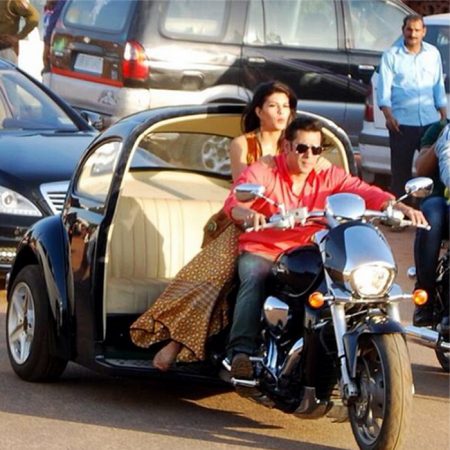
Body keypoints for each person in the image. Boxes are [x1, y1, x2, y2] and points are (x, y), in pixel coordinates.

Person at [223, 117, 428, 382]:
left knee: (347, 283)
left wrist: (396, 206)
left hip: (311, 249)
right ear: (286, 146)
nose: (309, 155)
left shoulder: (327, 174)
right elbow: (234, 202)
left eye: (316, 149)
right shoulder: (265, 170)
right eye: (302, 148)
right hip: (266, 248)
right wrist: (249, 214)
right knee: (254, 275)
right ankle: (240, 352)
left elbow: (362, 190)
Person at [130, 81, 310, 371]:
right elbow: (243, 189)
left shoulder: (299, 145)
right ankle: (177, 342)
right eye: (273, 106)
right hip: (245, 225)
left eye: (285, 107)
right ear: (258, 111)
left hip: (289, 228)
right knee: (215, 275)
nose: (280, 112)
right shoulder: (243, 145)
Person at [377, 14, 447, 199]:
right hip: (402, 125)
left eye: (417, 30)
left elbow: (438, 85)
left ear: (424, 31)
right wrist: (388, 116)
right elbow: (383, 90)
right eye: (409, 29)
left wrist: (443, 114)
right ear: (403, 30)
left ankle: (429, 208)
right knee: (401, 175)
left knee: (431, 173)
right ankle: (403, 211)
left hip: (430, 123)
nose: (413, 34)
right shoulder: (391, 55)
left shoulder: (433, 54)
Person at [413, 120, 449, 326]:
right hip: (440, 199)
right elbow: (421, 169)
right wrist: (442, 140)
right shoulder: (438, 128)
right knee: (432, 217)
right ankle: (424, 297)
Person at [0, 0, 40, 64]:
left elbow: (34, 17)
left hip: (5, 50)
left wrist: (19, 36)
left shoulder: (12, 1)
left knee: (8, 69)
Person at [42, 0, 65, 72]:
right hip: (54, 37)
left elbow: (52, 24)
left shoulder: (61, 5)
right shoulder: (50, 9)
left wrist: (47, 39)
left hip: (58, 38)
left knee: (48, 58)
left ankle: (48, 71)